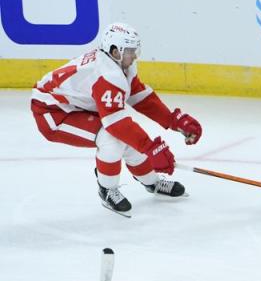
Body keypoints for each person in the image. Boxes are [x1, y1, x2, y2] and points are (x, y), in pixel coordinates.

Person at [30, 22, 202, 217]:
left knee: (126, 138)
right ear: (114, 51)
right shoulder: (107, 74)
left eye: (135, 50)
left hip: (75, 106)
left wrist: (173, 120)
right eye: (130, 51)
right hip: (52, 112)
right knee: (111, 139)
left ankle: (151, 181)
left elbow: (139, 96)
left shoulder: (119, 64)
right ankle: (107, 189)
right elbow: (116, 124)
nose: (135, 55)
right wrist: (150, 148)